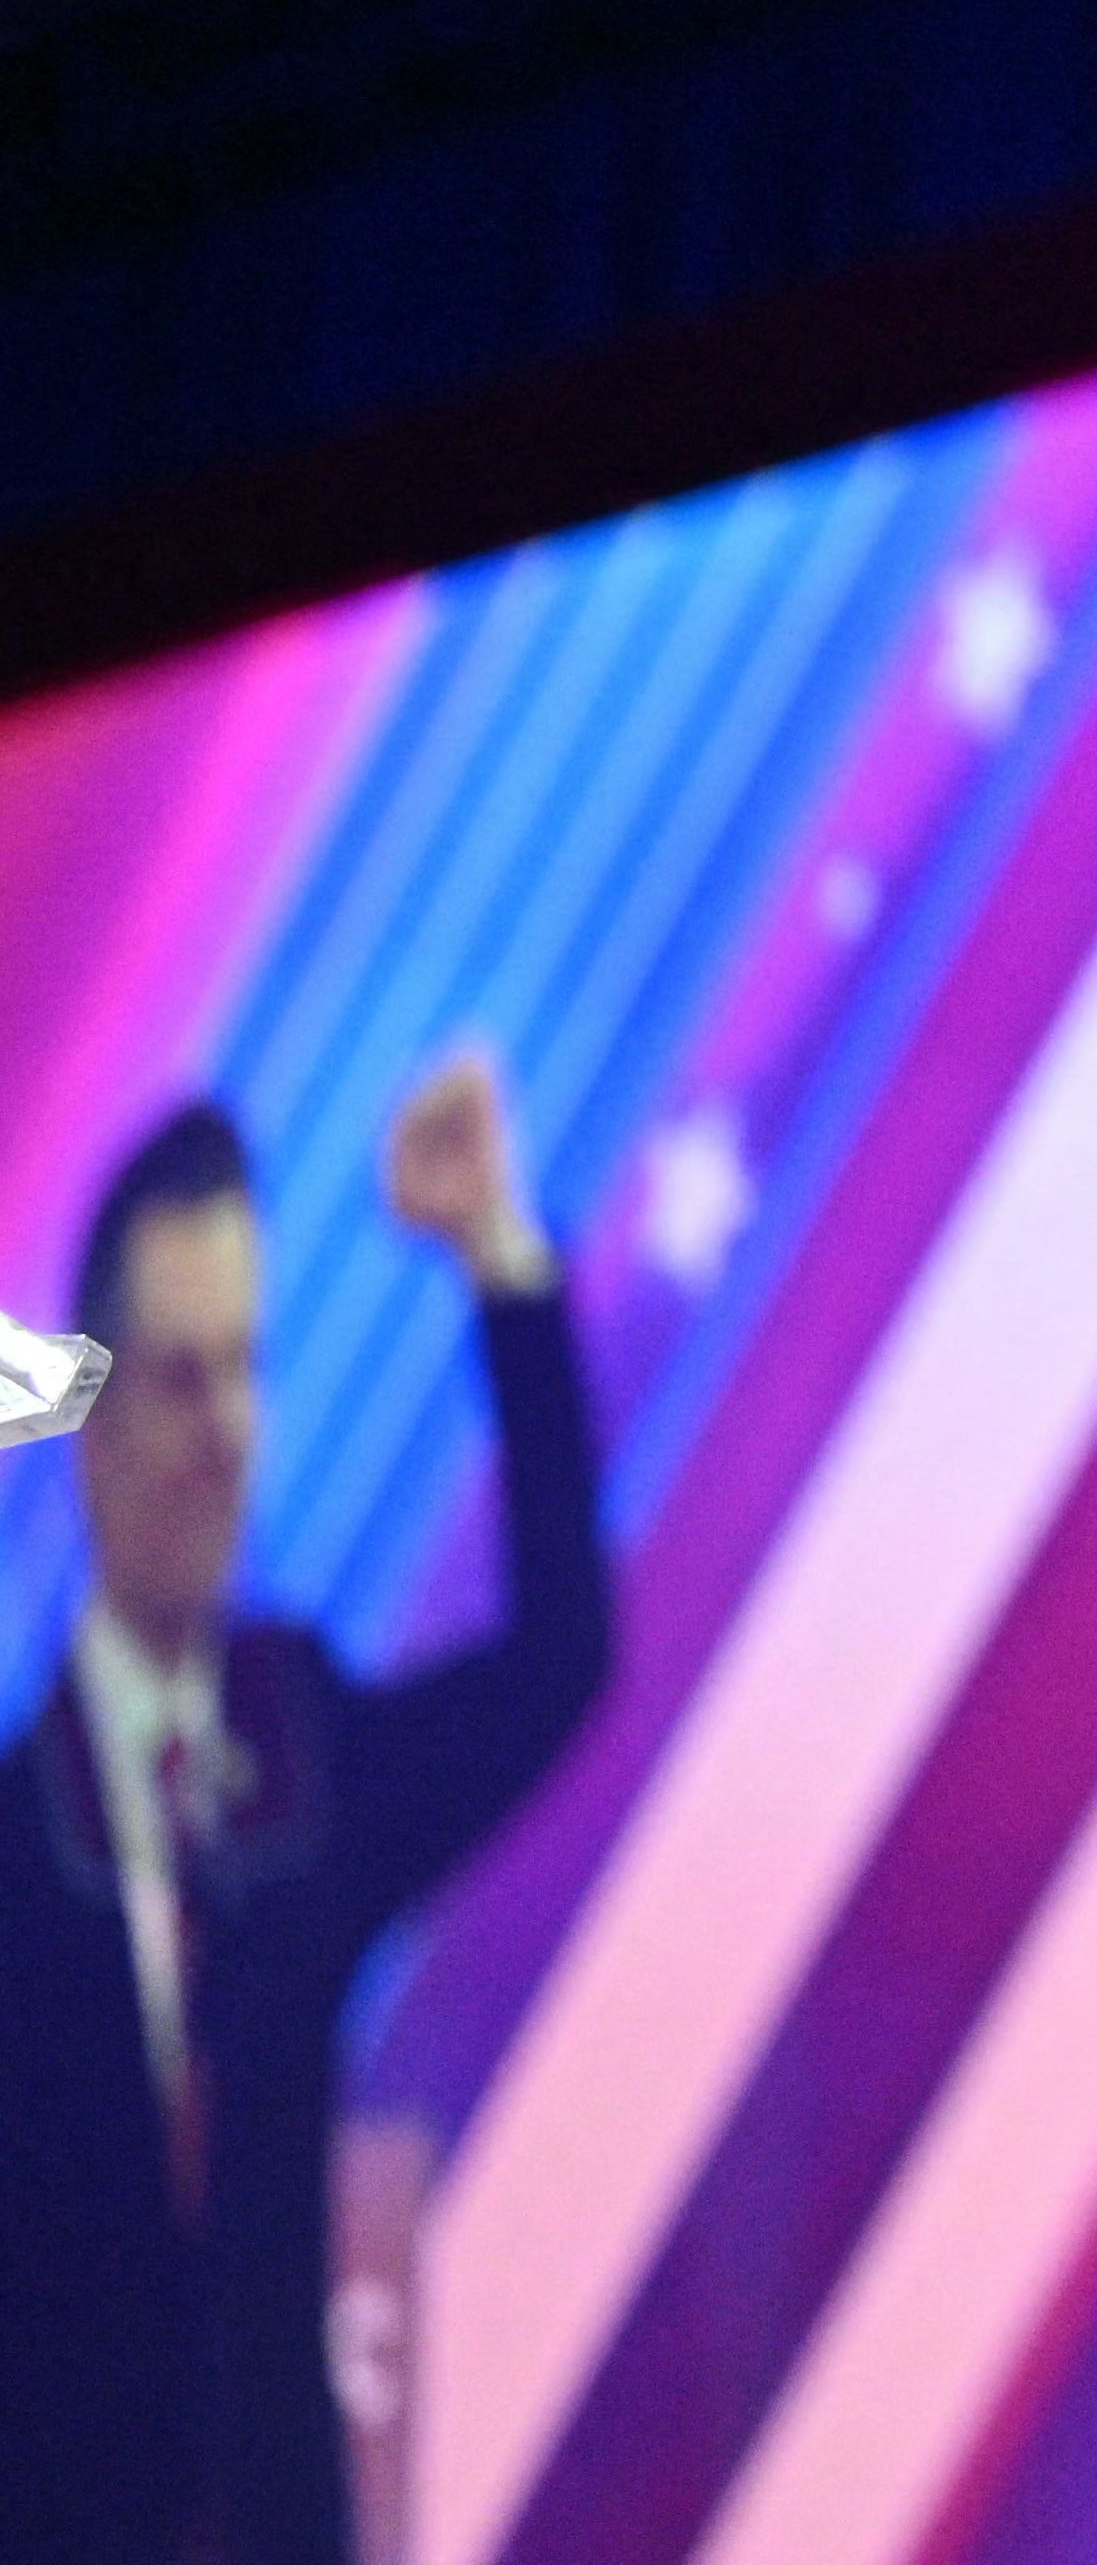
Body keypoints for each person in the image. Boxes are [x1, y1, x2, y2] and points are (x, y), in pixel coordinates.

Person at [0, 1055, 611, 2565]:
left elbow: (562, 1654)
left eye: (249, 1368)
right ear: (84, 1412)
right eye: (177, 1378)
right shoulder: (16, 1844)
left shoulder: (305, 1760)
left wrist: (499, 1260)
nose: (226, 1434)